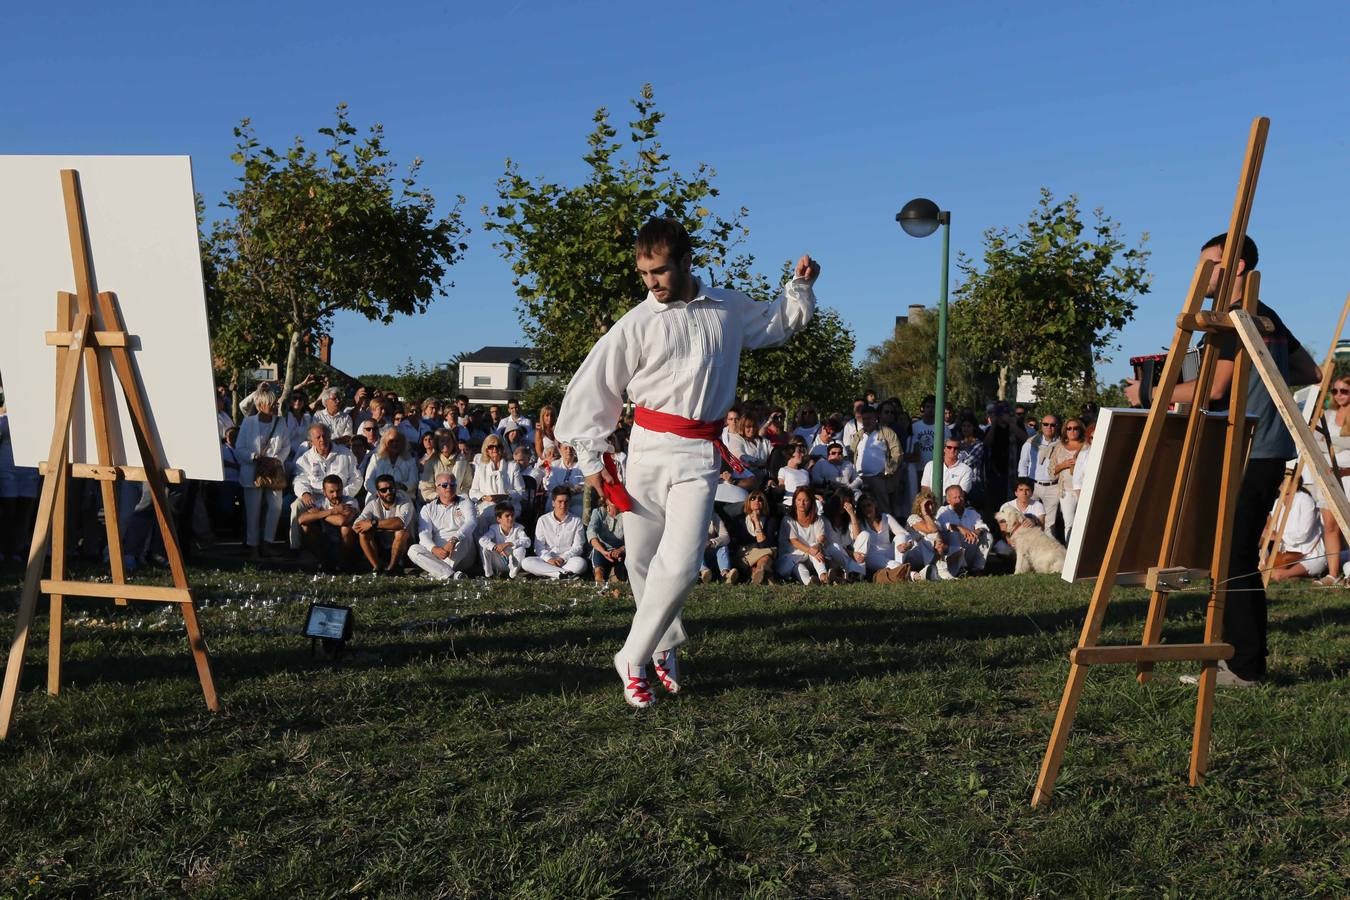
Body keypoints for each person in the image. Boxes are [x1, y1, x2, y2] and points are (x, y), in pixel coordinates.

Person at [555, 216, 818, 708]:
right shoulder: (635, 323)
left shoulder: (726, 308)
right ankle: (664, 645)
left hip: (700, 454)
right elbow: (594, 388)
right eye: (644, 274)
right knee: (639, 558)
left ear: (687, 262)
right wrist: (594, 457)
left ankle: (631, 656)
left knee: (680, 560)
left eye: (659, 271)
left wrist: (799, 287)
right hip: (646, 450)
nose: (651, 282)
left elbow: (777, 325)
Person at [1126, 233, 1320, 686]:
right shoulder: (1265, 315)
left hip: (1250, 449)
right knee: (1232, 554)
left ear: (1235, 266)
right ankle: (1241, 661)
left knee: (1233, 557)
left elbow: (1214, 390)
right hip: (1262, 449)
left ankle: (1245, 667)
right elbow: (1309, 371)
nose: (1201, 276)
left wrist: (1148, 393)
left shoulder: (1238, 317)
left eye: (1208, 265)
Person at [236, 387, 291, 559]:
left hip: (273, 471)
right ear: (260, 405)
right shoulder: (249, 422)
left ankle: (268, 543)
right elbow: (240, 448)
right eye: (271, 403)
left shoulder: (280, 422)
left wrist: (276, 460)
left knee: (275, 508)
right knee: (253, 511)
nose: (274, 406)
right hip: (252, 472)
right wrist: (255, 457)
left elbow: (286, 446)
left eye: (275, 402)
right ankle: (253, 546)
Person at [289, 423, 361, 553]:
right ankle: (295, 547)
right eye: (318, 437)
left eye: (325, 436)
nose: (322, 440)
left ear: (330, 436)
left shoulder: (345, 454)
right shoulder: (305, 458)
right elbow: (299, 479)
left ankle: (346, 555)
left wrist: (340, 494)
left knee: (344, 521)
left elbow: (357, 478)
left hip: (340, 495)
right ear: (311, 441)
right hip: (315, 496)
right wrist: (304, 493)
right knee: (296, 506)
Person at [408, 472, 477, 580]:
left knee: (465, 537)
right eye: (444, 485)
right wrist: (434, 548)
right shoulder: (428, 508)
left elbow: (471, 522)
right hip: (438, 552)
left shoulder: (465, 502)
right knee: (413, 550)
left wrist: (454, 540)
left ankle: (437, 572)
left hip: (461, 548)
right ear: (437, 488)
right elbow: (424, 534)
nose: (449, 487)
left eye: (452, 485)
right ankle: (452, 575)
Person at [353, 473, 415, 574]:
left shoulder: (405, 501)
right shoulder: (373, 504)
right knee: (363, 533)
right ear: (377, 492)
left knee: (401, 532)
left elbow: (400, 523)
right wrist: (386, 526)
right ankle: (377, 568)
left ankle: (391, 569)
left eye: (391, 488)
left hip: (404, 548)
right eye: (383, 490)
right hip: (381, 546)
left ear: (395, 488)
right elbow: (356, 526)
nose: (388, 492)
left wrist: (373, 524)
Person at [296, 473, 358, 571]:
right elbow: (301, 519)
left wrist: (319, 514)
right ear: (324, 492)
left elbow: (342, 521)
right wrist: (332, 511)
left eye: (338, 491)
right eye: (331, 492)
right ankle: (323, 562)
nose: (336, 495)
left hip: (346, 545)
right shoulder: (320, 502)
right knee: (306, 526)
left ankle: (344, 564)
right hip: (327, 541)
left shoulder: (350, 501)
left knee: (345, 529)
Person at [1266, 481, 1325, 583]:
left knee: (1279, 574)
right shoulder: (1277, 502)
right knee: (1265, 568)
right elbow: (1272, 528)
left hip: (1309, 555)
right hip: (1285, 555)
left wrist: (1279, 536)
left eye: (1285, 480)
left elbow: (1304, 533)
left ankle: (1289, 575)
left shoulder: (1305, 500)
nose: (1281, 483)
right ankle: (1293, 575)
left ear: (1295, 483)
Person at [522, 487, 587, 579]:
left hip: (567, 560)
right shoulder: (543, 520)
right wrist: (549, 559)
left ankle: (550, 574)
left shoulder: (576, 521)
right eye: (560, 502)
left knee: (581, 564)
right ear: (553, 503)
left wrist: (563, 558)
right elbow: (539, 547)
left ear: (569, 502)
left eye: (566, 502)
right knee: (526, 562)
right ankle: (562, 574)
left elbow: (578, 547)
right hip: (547, 560)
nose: (563, 505)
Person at [1018, 414, 1063, 539]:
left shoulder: (1062, 444)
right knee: (1030, 519)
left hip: (1053, 486)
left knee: (1050, 524)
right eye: (1046, 424)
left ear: (1057, 426)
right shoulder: (1031, 442)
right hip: (1033, 485)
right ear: (1041, 425)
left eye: (1053, 425)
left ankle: (1048, 554)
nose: (1049, 427)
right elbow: (1023, 463)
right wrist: (1023, 484)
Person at [850, 493, 911, 583]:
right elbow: (856, 539)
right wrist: (853, 515)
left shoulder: (885, 517)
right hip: (872, 556)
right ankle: (912, 574)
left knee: (901, 536)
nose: (867, 509)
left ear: (875, 505)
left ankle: (900, 570)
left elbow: (905, 534)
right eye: (863, 507)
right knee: (893, 564)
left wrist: (907, 544)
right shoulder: (859, 522)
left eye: (869, 505)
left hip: (889, 552)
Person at [936, 484, 991, 575]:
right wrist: (959, 528)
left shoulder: (971, 512)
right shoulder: (943, 511)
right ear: (948, 500)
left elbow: (982, 526)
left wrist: (976, 532)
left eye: (960, 496)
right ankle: (961, 570)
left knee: (988, 536)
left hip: (969, 549)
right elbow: (941, 526)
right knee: (954, 533)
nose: (959, 500)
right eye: (955, 497)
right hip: (953, 553)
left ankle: (977, 569)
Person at [1048, 418, 1085, 542]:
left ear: (1081, 429)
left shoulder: (1087, 446)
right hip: (1066, 491)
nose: (1072, 431)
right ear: (1065, 430)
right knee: (1069, 524)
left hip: (1085, 490)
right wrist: (1064, 465)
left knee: (1085, 523)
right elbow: (1051, 472)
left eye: (1076, 428)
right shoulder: (1059, 447)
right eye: (1069, 428)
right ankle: (1070, 555)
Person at [729, 489, 777, 584]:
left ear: (764, 503)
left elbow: (763, 545)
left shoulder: (771, 521)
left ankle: (757, 573)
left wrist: (756, 522)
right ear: (748, 502)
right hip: (745, 554)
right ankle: (766, 576)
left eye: (760, 499)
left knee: (765, 557)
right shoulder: (739, 520)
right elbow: (736, 543)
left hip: (757, 556)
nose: (757, 501)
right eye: (753, 498)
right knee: (768, 553)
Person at [479, 501, 530, 579]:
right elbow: (482, 540)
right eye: (507, 516)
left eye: (512, 515)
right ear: (499, 519)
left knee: (521, 549)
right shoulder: (494, 528)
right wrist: (495, 547)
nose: (511, 518)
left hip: (512, 562)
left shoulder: (518, 528)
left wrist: (509, 543)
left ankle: (513, 573)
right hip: (498, 562)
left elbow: (527, 542)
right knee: (485, 548)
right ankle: (489, 575)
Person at [363, 429, 418, 500]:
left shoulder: (410, 459)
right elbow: (368, 481)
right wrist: (380, 493)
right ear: (385, 443)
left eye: (397, 441)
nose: (394, 444)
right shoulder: (376, 458)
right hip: (377, 498)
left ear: (402, 443)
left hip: (403, 499)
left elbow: (413, 481)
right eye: (391, 441)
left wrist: (402, 486)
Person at [587, 497, 627, 583]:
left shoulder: (626, 514)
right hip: (602, 550)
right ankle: (598, 577)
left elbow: (632, 538)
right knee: (597, 549)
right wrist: (603, 552)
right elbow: (591, 532)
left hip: (621, 550)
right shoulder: (598, 512)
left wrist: (621, 549)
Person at [698, 509, 737, 584]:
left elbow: (726, 537)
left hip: (708, 552)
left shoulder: (714, 516)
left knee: (722, 547)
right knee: (696, 548)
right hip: (694, 554)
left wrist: (712, 542)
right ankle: (703, 572)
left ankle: (726, 574)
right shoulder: (689, 517)